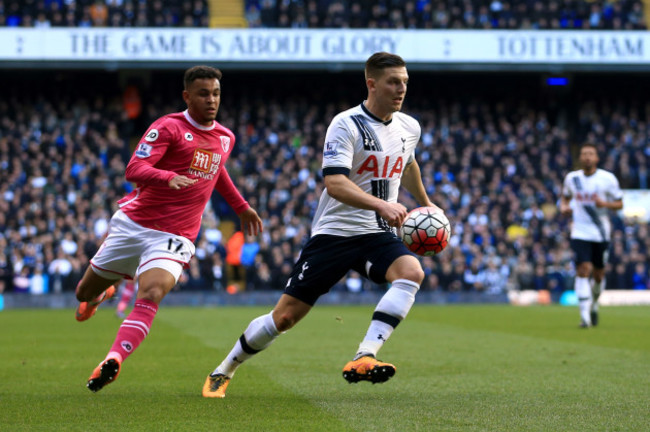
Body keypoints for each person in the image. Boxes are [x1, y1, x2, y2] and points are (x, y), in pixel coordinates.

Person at [202, 52, 443, 398]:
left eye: (405, 82)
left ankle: (365, 355)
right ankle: (224, 369)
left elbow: (408, 164)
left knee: (411, 272)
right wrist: (383, 204)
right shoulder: (346, 124)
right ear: (371, 84)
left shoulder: (410, 126)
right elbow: (335, 183)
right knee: (283, 318)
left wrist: (426, 202)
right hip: (334, 234)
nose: (401, 88)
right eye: (393, 82)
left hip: (376, 232)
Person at [75, 65, 263, 392]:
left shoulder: (225, 137)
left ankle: (114, 358)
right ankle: (101, 294)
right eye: (203, 94)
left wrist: (241, 206)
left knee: (151, 293)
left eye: (216, 93)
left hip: (176, 236)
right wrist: (167, 176)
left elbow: (216, 171)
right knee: (82, 293)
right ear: (187, 96)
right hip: (134, 225)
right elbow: (134, 168)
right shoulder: (168, 127)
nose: (211, 100)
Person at [559, 143, 623, 328]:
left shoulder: (607, 179)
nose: (587, 157)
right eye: (584, 153)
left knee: (598, 275)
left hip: (601, 233)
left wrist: (605, 204)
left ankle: (594, 305)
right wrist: (563, 206)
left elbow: (619, 204)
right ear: (580, 158)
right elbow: (565, 197)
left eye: (591, 154)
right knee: (583, 269)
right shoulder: (572, 179)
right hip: (579, 231)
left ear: (596, 158)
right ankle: (584, 317)